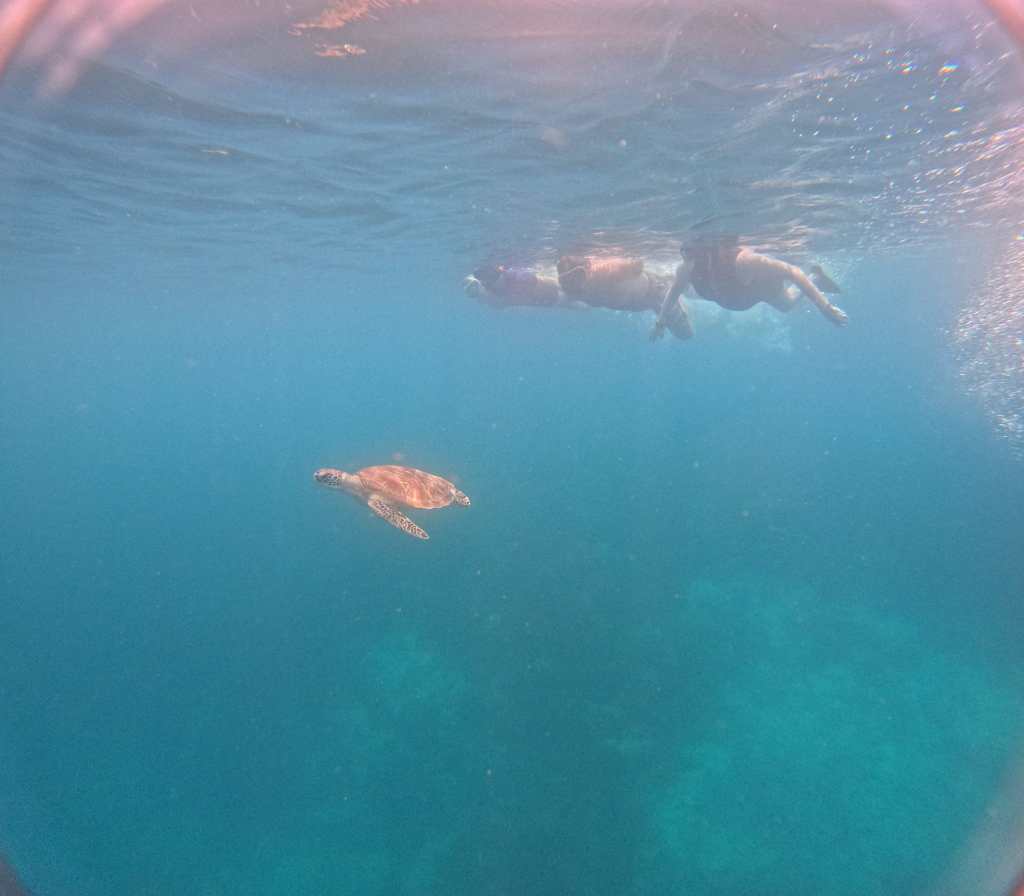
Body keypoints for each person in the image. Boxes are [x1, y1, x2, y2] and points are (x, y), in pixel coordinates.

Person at [651, 235, 847, 341]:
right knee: (690, 291)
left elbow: (793, 272)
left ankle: (816, 277)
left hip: (758, 287)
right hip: (732, 295)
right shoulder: (686, 269)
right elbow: (673, 294)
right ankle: (815, 277)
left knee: (786, 305)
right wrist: (660, 323)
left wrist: (825, 308)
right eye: (686, 254)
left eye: (693, 254)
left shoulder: (742, 261)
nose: (689, 259)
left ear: (708, 251)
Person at [465, 255, 694, 340]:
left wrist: (661, 321)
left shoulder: (604, 272)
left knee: (685, 335)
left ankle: (685, 285)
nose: (570, 285)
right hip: (639, 300)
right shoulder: (570, 288)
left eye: (574, 279)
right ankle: (684, 287)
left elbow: (636, 264)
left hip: (656, 293)